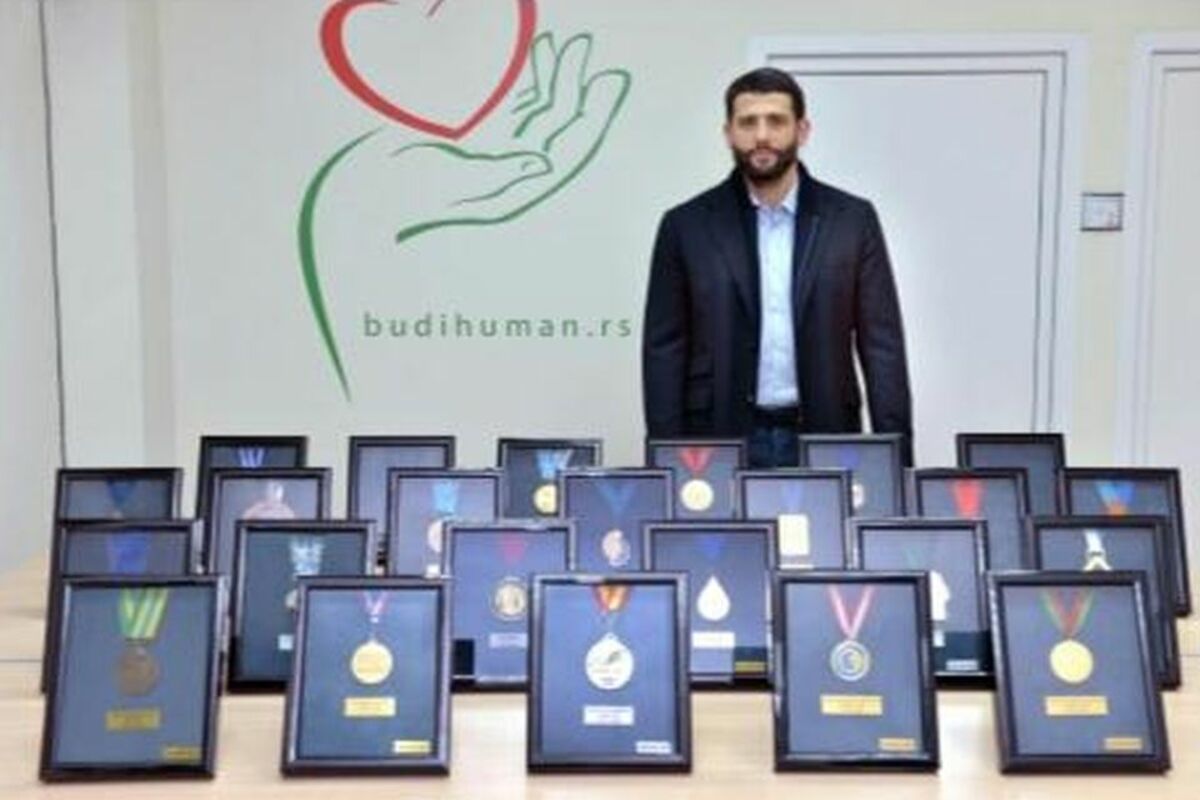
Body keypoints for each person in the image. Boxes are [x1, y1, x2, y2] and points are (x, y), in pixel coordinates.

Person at [641, 67, 913, 467]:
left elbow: (882, 346)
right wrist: (666, 462)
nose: (762, 135)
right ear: (728, 133)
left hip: (825, 432)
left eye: (776, 121)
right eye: (748, 122)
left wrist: (897, 463)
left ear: (802, 130)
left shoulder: (851, 220)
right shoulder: (686, 226)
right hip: (718, 439)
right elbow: (664, 351)